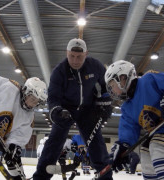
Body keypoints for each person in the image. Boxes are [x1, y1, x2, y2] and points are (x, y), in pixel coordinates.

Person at [33, 38, 113, 180]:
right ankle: (41, 176)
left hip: (88, 109)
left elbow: (105, 85)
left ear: (86, 54)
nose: (75, 60)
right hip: (66, 110)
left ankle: (105, 176)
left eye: (79, 57)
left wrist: (105, 101)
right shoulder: (59, 71)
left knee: (96, 141)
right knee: (55, 140)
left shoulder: (96, 66)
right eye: (72, 56)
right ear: (67, 53)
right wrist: (56, 111)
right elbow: (53, 97)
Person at [105, 60, 164, 179]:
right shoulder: (127, 107)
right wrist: (123, 146)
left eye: (113, 85)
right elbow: (129, 130)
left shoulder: (148, 80)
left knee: (158, 148)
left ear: (123, 78)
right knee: (145, 152)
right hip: (159, 131)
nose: (112, 90)